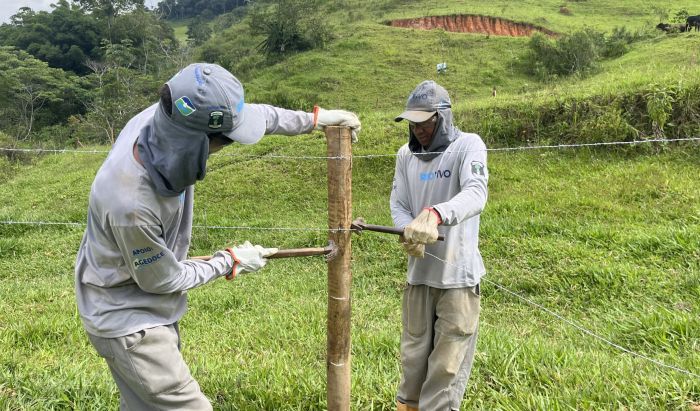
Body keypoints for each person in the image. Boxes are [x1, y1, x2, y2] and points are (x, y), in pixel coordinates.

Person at [74, 62, 361, 410]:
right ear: (192, 143)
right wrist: (229, 261)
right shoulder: (131, 204)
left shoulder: (166, 118)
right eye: (223, 142)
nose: (225, 147)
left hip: (141, 307)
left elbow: (259, 117)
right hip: (129, 321)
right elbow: (163, 279)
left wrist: (315, 120)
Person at [390, 80, 488, 411]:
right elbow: (399, 204)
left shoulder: (468, 146)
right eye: (413, 123)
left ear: (443, 117)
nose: (418, 129)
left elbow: (476, 193)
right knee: (413, 360)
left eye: (425, 122)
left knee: (446, 369)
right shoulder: (405, 156)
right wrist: (408, 231)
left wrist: (435, 214)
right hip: (419, 278)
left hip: (458, 282)